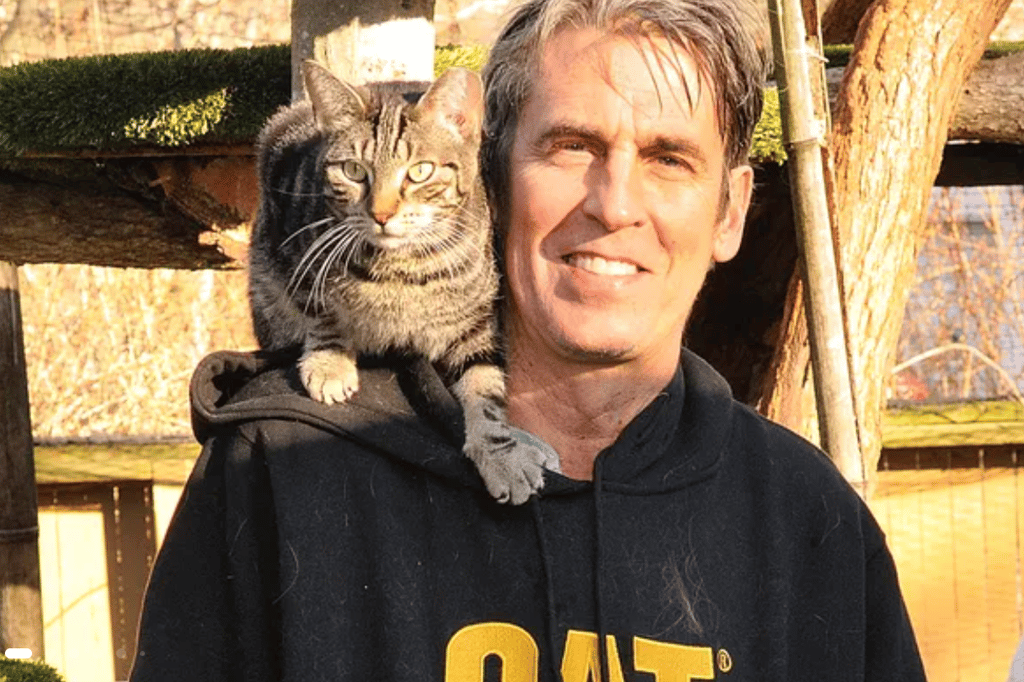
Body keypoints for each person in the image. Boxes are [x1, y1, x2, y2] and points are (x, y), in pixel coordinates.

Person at [130, 0, 926, 680]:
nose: (614, 204)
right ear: (492, 177)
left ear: (730, 212)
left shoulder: (811, 525)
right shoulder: (277, 471)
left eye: (669, 158)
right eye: (572, 146)